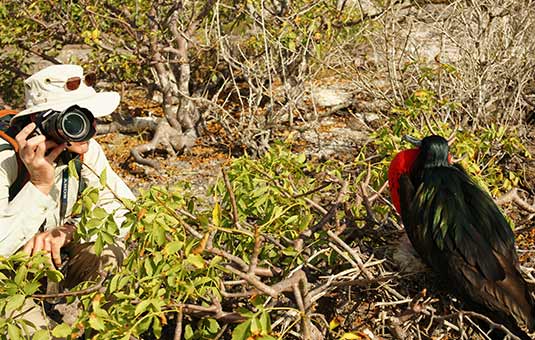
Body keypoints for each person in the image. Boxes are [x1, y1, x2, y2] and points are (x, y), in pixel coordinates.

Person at [0, 64, 136, 333]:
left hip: (51, 265)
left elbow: (127, 210)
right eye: (77, 118)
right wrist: (39, 184)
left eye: (91, 116)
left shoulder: (83, 148)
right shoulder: (5, 157)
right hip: (5, 275)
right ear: (40, 121)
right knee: (31, 332)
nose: (91, 128)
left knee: (109, 254)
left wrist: (69, 231)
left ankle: (104, 331)